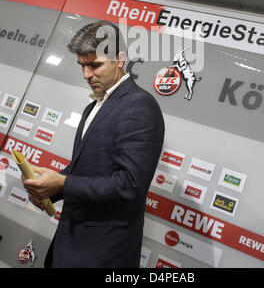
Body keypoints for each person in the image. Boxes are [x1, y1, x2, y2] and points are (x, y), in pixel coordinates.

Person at [22, 20, 165, 268]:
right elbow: (88, 172)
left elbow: (129, 186)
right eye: (82, 66)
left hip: (102, 253)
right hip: (71, 244)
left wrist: (63, 183)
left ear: (120, 59)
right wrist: (50, 189)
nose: (86, 75)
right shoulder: (94, 106)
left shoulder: (140, 106)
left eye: (95, 65)